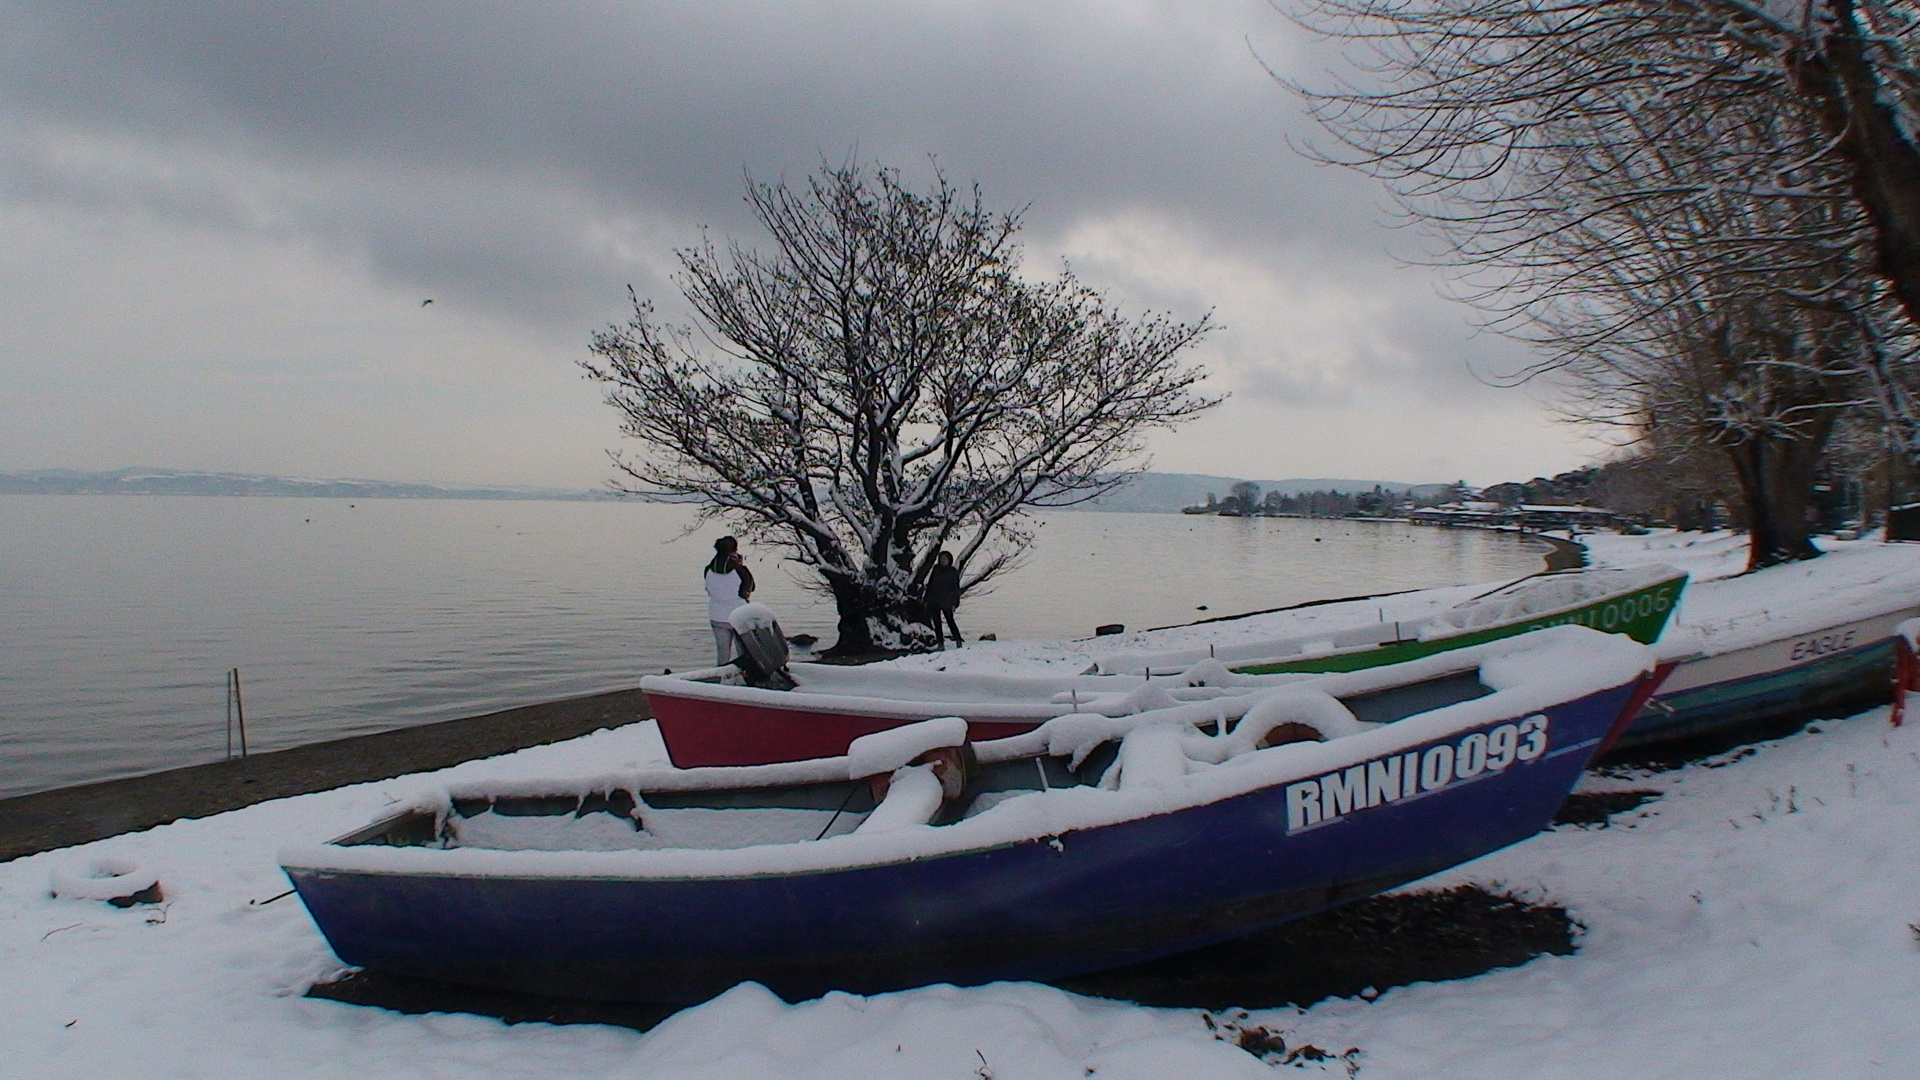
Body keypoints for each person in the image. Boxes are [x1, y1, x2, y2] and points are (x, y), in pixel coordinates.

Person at [704, 536, 756, 666]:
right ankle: (745, 681)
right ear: (734, 550)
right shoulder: (740, 570)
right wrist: (740, 565)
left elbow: (710, 590)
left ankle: (720, 680)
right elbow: (749, 590)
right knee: (744, 654)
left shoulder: (708, 569)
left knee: (722, 655)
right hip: (738, 617)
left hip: (716, 616)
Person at [924, 549, 962, 650]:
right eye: (941, 559)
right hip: (934, 599)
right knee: (937, 623)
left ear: (949, 560)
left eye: (945, 559)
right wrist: (926, 598)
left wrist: (955, 602)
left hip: (947, 601)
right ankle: (940, 643)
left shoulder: (953, 572)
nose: (943, 560)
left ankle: (958, 639)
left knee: (950, 621)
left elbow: (956, 588)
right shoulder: (936, 569)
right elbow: (930, 584)